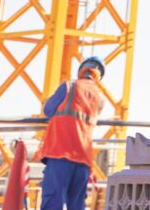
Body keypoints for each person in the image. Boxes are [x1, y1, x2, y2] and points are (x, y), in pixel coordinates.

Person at [37, 56, 105, 210]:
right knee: (77, 205)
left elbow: (48, 110)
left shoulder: (69, 86)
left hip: (60, 153)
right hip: (83, 159)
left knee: (52, 203)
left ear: (81, 70)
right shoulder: (100, 98)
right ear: (99, 76)